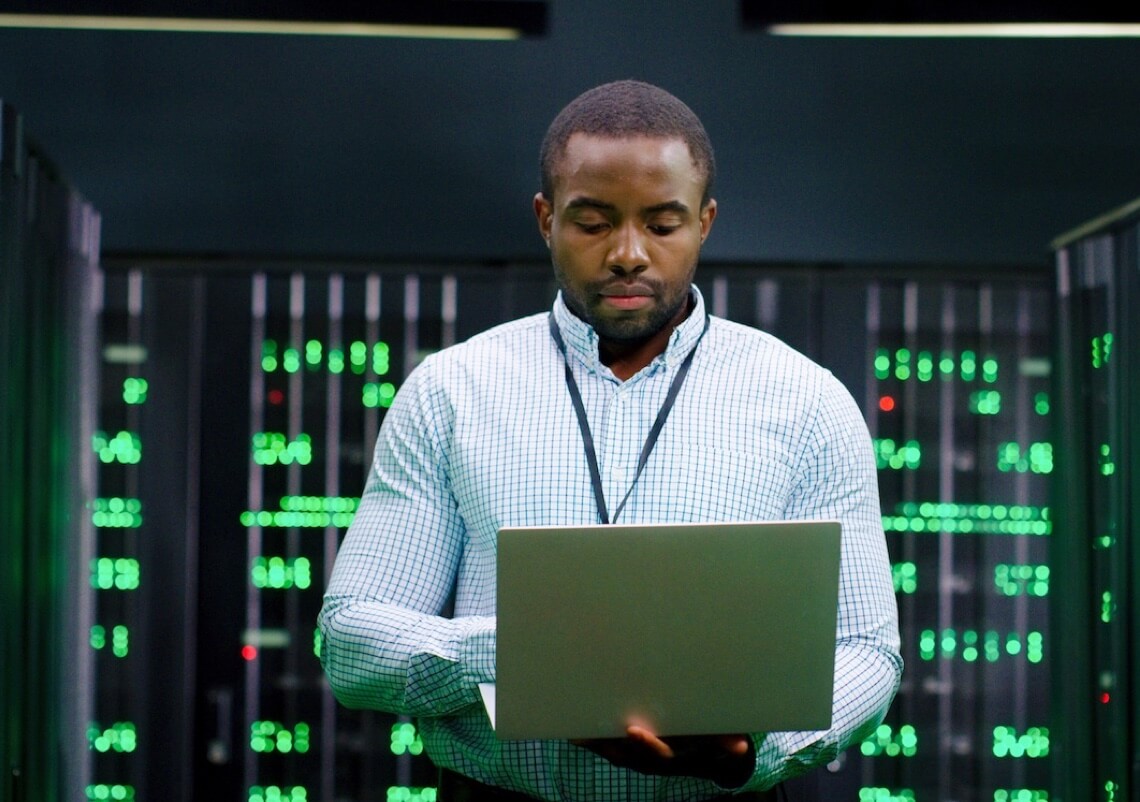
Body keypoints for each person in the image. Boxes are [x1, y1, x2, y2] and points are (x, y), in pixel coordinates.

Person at [318, 79, 902, 802]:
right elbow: (350, 642)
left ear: (706, 222)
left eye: (662, 224)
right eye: (593, 222)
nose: (628, 253)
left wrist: (753, 752)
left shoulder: (808, 402)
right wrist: (524, 651)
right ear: (545, 218)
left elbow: (868, 653)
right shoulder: (451, 391)